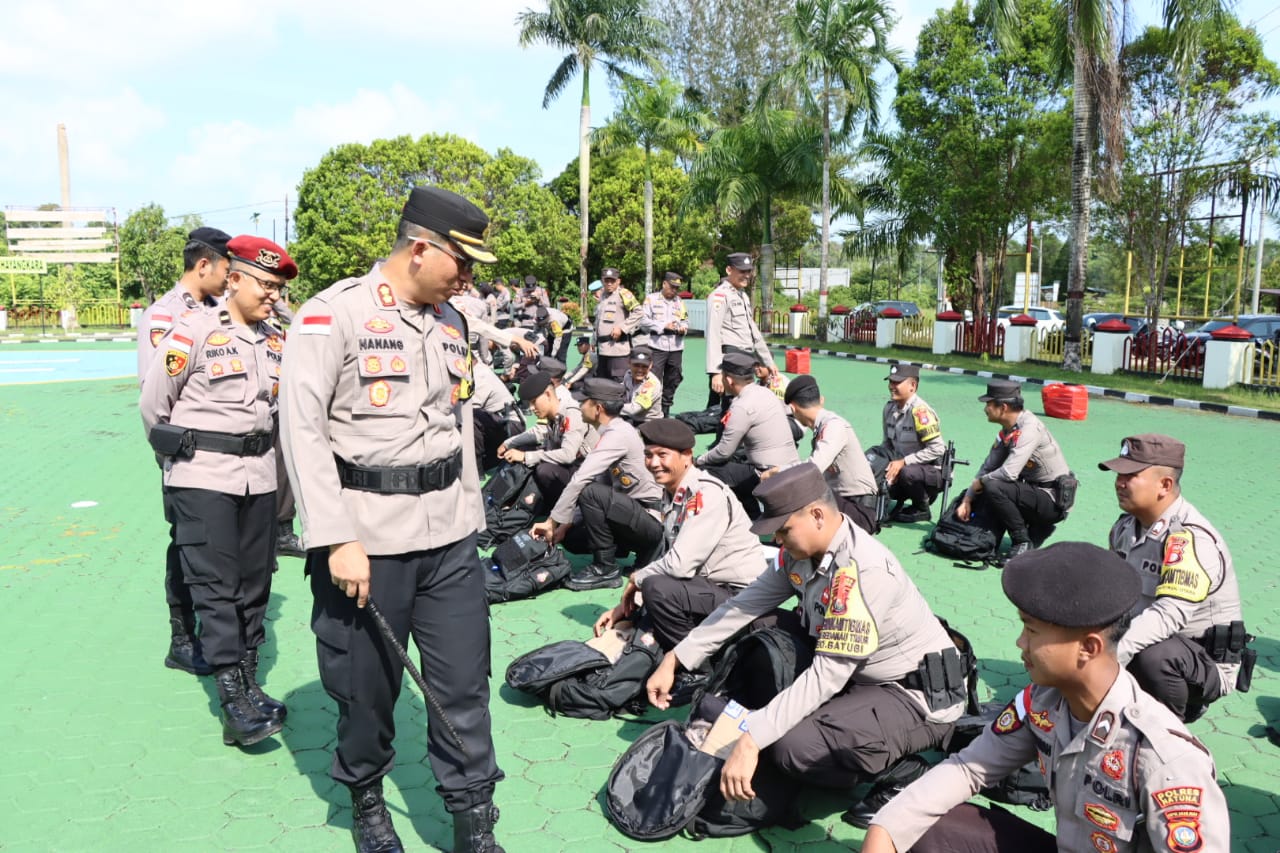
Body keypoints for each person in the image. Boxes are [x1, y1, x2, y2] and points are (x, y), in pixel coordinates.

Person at [280, 186, 505, 853]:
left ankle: (473, 821)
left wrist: (473, 513)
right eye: (461, 264)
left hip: (449, 537)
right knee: (367, 689)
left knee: (463, 682)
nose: (468, 279)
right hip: (366, 540)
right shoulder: (334, 316)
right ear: (420, 248)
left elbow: (457, 423)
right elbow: (302, 430)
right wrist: (336, 537)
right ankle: (367, 797)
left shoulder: (451, 322)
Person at [865, 542, 1229, 853]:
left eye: (1032, 631)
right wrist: (885, 829)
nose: (1020, 644)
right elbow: (968, 768)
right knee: (923, 824)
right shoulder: (1044, 701)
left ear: (1088, 648)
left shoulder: (1166, 760)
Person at [647, 463, 965, 814]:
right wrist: (675, 658)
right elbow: (742, 607)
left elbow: (828, 673)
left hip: (911, 694)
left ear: (817, 515)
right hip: (856, 673)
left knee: (793, 748)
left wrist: (753, 737)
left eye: (783, 530)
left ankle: (904, 773)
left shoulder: (862, 570)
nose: (777, 541)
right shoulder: (802, 553)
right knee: (760, 626)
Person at [139, 235, 297, 748]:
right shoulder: (193, 332)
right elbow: (155, 407)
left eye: (278, 288)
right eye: (266, 285)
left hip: (259, 476)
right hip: (202, 476)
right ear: (233, 279)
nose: (273, 296)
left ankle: (249, 684)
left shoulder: (276, 339)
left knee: (254, 584)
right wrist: (177, 465)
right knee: (216, 587)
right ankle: (233, 700)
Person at [136, 226, 233, 677]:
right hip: (184, 454)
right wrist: (169, 453)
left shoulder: (223, 312)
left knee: (216, 551)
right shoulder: (165, 315)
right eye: (227, 269)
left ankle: (217, 633)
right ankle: (182, 637)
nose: (232, 279)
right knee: (186, 545)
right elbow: (155, 391)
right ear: (204, 265)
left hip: (226, 460)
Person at [1099, 434, 1249, 722]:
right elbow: (1111, 592)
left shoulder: (1189, 539)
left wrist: (1110, 655)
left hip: (1197, 662)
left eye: (1130, 475)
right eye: (1119, 474)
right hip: (1143, 638)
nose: (1119, 482)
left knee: (1155, 656)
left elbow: (1168, 617)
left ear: (1164, 485)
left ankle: (1168, 729)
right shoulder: (1126, 527)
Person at [594, 419, 768, 652]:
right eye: (648, 455)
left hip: (739, 597)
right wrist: (624, 608)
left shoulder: (706, 494)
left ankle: (693, 666)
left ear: (687, 456)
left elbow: (679, 566)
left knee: (657, 587)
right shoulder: (673, 493)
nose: (653, 463)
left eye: (662, 455)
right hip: (709, 588)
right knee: (654, 590)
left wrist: (637, 579)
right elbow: (671, 558)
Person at [530, 377, 664, 592]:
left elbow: (581, 479)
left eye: (584, 401)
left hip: (651, 520)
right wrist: (566, 524)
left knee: (590, 493)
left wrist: (552, 522)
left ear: (598, 408)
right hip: (634, 514)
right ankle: (621, 550)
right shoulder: (610, 431)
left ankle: (606, 568)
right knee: (572, 538)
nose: (580, 406)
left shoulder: (617, 434)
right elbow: (600, 480)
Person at [956, 380, 1071, 559]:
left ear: (1002, 407)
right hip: (1032, 492)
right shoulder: (1008, 429)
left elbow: (1009, 473)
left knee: (994, 486)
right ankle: (1037, 528)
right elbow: (988, 466)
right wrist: (968, 498)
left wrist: (981, 482)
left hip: (1052, 500)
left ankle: (1021, 541)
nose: (985, 409)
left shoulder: (1029, 429)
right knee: (988, 484)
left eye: (988, 404)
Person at [694, 353, 799, 517]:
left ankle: (734, 517)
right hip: (789, 467)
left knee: (706, 469)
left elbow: (723, 452)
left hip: (767, 473)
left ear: (728, 380)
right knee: (738, 473)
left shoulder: (742, 406)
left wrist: (699, 459)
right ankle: (752, 515)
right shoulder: (766, 393)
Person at [778, 375, 879, 534]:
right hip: (844, 503)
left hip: (858, 510)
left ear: (792, 408)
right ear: (821, 400)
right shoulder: (823, 427)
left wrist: (778, 472)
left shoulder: (833, 426)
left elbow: (813, 469)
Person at [499, 371, 592, 511]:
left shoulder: (571, 413)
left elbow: (568, 455)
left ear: (548, 395)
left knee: (545, 470)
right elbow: (538, 435)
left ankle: (561, 510)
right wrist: (510, 444)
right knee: (526, 449)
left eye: (533, 402)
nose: (531, 408)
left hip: (588, 475)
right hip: (574, 467)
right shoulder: (552, 414)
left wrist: (526, 456)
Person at [874, 364, 945, 523]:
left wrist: (904, 462)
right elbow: (887, 444)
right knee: (875, 465)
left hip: (930, 472)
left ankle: (922, 507)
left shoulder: (920, 412)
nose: (892, 386)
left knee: (908, 473)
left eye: (896, 383)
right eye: (891, 382)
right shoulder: (889, 409)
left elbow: (938, 449)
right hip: (903, 466)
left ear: (912, 386)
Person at [704, 253, 776, 409]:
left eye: (748, 271)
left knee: (740, 408)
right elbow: (713, 335)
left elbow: (754, 332)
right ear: (729, 270)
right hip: (729, 360)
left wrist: (768, 361)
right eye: (742, 271)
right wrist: (715, 372)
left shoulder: (743, 296)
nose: (746, 276)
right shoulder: (719, 296)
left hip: (745, 359)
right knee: (725, 411)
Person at [641, 272, 689, 415]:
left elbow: (686, 321)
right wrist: (662, 326)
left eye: (677, 288)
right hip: (657, 346)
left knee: (674, 378)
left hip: (676, 347)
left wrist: (683, 329)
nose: (674, 290)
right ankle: (650, 409)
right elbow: (643, 320)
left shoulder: (680, 302)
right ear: (664, 284)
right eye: (672, 287)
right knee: (653, 378)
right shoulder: (651, 299)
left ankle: (666, 408)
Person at [593, 267, 643, 381]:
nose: (609, 283)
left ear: (618, 281)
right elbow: (598, 321)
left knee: (619, 384)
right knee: (602, 384)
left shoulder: (623, 294)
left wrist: (622, 327)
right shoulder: (602, 296)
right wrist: (593, 340)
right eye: (606, 280)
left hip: (618, 351)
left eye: (612, 280)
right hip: (602, 349)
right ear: (602, 281)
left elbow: (639, 312)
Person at [621, 348, 663, 425]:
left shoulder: (652, 384)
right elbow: (621, 388)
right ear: (629, 363)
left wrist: (609, 406)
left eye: (644, 366)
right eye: (636, 365)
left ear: (650, 365)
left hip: (649, 423)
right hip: (632, 418)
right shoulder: (628, 374)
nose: (640, 370)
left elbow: (633, 409)